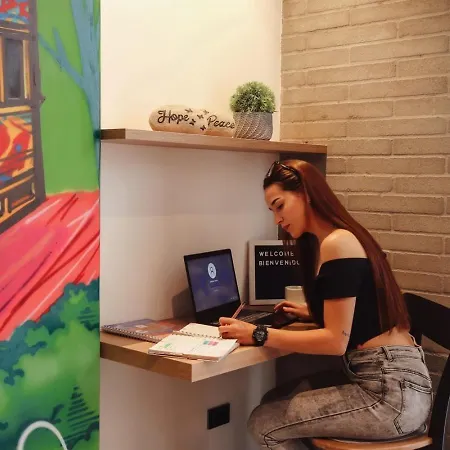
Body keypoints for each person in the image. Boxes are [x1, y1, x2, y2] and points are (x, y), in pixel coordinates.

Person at [218, 160, 432, 450]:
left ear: (306, 194)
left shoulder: (337, 243)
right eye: (272, 211)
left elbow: (335, 342)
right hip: (396, 382)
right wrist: (313, 312)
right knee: (275, 400)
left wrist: (258, 334)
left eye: (279, 206)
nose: (277, 219)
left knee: (263, 422)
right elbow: (364, 307)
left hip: (391, 396)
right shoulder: (336, 238)